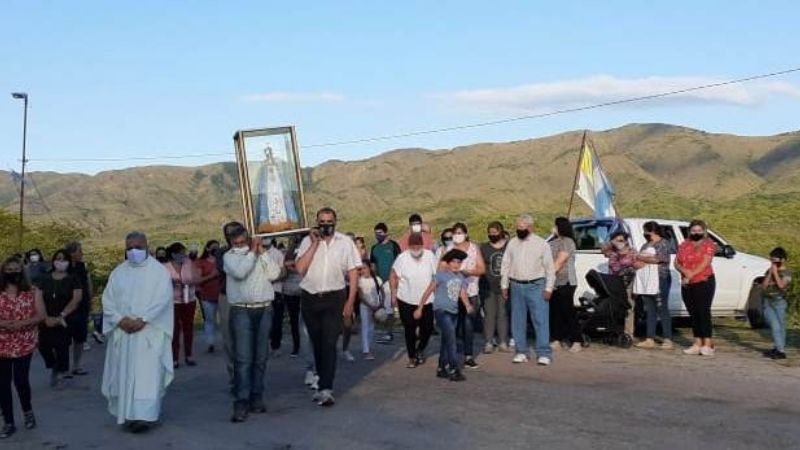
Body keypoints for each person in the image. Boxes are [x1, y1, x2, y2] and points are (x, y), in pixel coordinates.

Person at [101, 231, 173, 433]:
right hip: (124, 333)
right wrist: (120, 320)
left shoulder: (158, 272)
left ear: (147, 247)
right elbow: (108, 300)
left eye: (138, 247)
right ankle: (128, 415)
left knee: (147, 376)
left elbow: (163, 299)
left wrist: (143, 320)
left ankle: (146, 417)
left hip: (149, 333)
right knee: (125, 375)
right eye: (129, 248)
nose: (134, 251)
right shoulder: (118, 273)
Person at [295, 207, 361, 407]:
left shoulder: (345, 243)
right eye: (321, 221)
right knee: (317, 343)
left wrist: (350, 302)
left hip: (334, 297)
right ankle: (321, 378)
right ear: (317, 222)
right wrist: (315, 244)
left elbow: (353, 273)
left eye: (329, 221)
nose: (325, 225)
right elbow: (300, 268)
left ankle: (326, 388)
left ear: (335, 221)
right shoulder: (308, 241)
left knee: (330, 343)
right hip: (310, 297)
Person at [223, 223, 282, 422]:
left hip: (264, 308)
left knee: (260, 358)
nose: (240, 245)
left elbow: (274, 274)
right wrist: (252, 255)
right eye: (236, 242)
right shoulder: (229, 257)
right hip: (242, 310)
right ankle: (241, 401)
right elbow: (241, 273)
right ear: (231, 242)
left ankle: (257, 396)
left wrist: (262, 253)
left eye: (243, 241)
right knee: (243, 359)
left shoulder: (259, 254)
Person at [501, 215, 556, 365]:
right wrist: (504, 285)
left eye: (522, 228)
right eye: (517, 227)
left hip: (536, 285)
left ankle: (544, 352)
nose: (519, 230)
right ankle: (521, 351)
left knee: (540, 319)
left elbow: (549, 268)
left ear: (530, 227)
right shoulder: (512, 243)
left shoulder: (541, 244)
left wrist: (549, 288)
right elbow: (506, 264)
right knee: (517, 320)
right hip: (516, 285)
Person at [0, 257, 45, 439]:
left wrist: (23, 323)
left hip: (24, 343)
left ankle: (28, 411)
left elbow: (41, 315)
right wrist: (5, 324)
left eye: (16, 268)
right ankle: (8, 422)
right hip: (1, 343)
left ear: (22, 271)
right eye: (8, 269)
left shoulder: (33, 292)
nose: (12, 272)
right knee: (2, 384)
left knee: (21, 381)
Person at [418, 249, 471, 382]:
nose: (456, 265)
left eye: (459, 262)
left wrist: (468, 305)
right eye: (453, 262)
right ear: (447, 263)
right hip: (441, 311)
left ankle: (441, 368)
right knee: (452, 338)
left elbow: (462, 293)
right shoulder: (441, 275)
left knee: (446, 340)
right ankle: (453, 369)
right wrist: (420, 308)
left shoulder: (460, 277)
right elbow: (428, 291)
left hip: (454, 312)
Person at [390, 233, 437, 369]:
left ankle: (420, 349)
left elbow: (436, 276)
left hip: (427, 299)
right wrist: (393, 294)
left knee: (427, 328)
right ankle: (412, 357)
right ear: (409, 246)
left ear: (422, 245)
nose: (416, 248)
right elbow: (393, 276)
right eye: (413, 246)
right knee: (409, 329)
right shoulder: (402, 258)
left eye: (418, 245)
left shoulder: (429, 256)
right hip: (406, 299)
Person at [38, 250, 82, 388]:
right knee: (43, 345)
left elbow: (76, 299)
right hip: (46, 316)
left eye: (64, 259)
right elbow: (38, 298)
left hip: (66, 316)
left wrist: (61, 316)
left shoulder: (73, 278)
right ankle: (54, 365)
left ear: (68, 262)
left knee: (62, 346)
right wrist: (45, 317)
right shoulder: (45, 278)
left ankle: (61, 374)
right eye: (58, 259)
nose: (60, 262)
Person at [675, 220, 717, 356]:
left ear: (704, 231)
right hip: (687, 282)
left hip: (703, 281)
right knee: (693, 313)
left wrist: (690, 274)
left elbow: (705, 262)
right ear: (689, 231)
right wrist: (684, 272)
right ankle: (697, 342)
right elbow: (676, 262)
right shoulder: (684, 244)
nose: (696, 233)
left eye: (699, 230)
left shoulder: (709, 244)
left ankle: (708, 343)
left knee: (703, 312)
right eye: (694, 231)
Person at [447, 223, 485, 369]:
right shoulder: (449, 249)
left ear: (466, 233)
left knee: (468, 325)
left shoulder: (474, 248)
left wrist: (469, 272)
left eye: (460, 232)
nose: (458, 235)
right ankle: (455, 353)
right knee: (454, 324)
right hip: (453, 292)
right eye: (455, 232)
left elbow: (482, 269)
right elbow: (442, 268)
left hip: (470, 291)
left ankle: (468, 355)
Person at [634, 222, 673, 349]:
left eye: (646, 231)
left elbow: (659, 259)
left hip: (659, 278)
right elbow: (637, 259)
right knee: (650, 309)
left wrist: (642, 258)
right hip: (646, 279)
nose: (645, 234)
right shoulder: (646, 245)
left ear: (652, 231)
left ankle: (667, 338)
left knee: (662, 308)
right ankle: (649, 338)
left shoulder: (663, 243)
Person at [548, 218, 582, 353]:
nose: (553, 228)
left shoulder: (567, 242)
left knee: (568, 311)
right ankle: (556, 339)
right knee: (555, 312)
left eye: (555, 226)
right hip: (554, 282)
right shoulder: (553, 242)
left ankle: (577, 340)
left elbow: (561, 260)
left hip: (566, 281)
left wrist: (550, 273)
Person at [163, 242, 199, 368]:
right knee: (174, 330)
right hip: (172, 302)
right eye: (180, 253)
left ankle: (189, 355)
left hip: (189, 300)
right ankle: (174, 358)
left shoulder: (189, 264)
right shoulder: (165, 267)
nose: (183, 255)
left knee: (188, 328)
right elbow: (160, 284)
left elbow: (197, 278)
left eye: (184, 253)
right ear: (173, 254)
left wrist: (188, 281)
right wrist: (171, 282)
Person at [480, 222, 510, 354]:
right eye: (490, 233)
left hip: (505, 285)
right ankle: (489, 342)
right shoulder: (484, 247)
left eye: (494, 232)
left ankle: (503, 342)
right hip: (488, 286)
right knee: (489, 314)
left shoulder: (509, 246)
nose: (492, 235)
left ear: (501, 232)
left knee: (502, 313)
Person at [369, 223, 401, 344]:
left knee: (391, 307)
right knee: (387, 309)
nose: (378, 235)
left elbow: (400, 261)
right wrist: (376, 281)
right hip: (381, 282)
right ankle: (389, 333)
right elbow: (373, 265)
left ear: (386, 232)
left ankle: (390, 333)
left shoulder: (393, 245)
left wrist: (396, 278)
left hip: (393, 280)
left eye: (380, 233)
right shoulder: (374, 248)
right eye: (376, 233)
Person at [65, 241, 94, 374]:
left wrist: (90, 300)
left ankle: (77, 365)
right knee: (64, 339)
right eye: (79, 251)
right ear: (71, 253)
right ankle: (63, 366)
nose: (81, 253)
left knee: (80, 338)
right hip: (66, 307)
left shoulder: (83, 267)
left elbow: (88, 284)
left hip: (82, 306)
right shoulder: (64, 268)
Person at [604, 230, 638, 337]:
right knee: (615, 307)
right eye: (617, 240)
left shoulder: (632, 251)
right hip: (614, 282)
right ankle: (616, 331)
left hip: (628, 282)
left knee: (628, 307)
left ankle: (628, 333)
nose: (619, 242)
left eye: (622, 240)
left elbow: (634, 264)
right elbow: (603, 250)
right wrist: (612, 243)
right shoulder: (612, 252)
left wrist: (624, 250)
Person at [761, 247, 792, 360]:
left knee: (779, 326)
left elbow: (781, 285)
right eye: (771, 260)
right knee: (774, 325)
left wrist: (775, 273)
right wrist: (770, 273)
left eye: (775, 260)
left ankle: (780, 350)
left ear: (782, 260)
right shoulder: (769, 271)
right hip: (767, 301)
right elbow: (763, 286)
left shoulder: (787, 273)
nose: (773, 262)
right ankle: (779, 349)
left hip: (779, 301)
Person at [357, 261, 391, 361]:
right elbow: (361, 296)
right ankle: (366, 351)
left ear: (370, 268)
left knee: (371, 328)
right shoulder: (360, 281)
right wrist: (370, 306)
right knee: (365, 327)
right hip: (365, 306)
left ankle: (367, 347)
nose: (363, 271)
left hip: (376, 306)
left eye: (365, 268)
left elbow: (383, 292)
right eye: (361, 269)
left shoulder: (377, 279)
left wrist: (381, 304)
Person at [196, 240, 222, 354]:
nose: (216, 249)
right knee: (210, 320)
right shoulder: (201, 262)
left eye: (217, 247)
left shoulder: (222, 261)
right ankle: (210, 343)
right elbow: (198, 280)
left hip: (222, 295)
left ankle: (228, 342)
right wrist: (211, 276)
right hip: (207, 296)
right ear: (207, 249)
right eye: (213, 247)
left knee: (225, 320)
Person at [282, 235, 305, 358]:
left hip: (304, 288)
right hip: (291, 290)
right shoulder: (288, 252)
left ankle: (304, 345)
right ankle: (296, 345)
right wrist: (296, 266)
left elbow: (302, 266)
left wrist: (294, 266)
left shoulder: (306, 251)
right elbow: (287, 264)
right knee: (294, 320)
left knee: (305, 319)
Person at [266, 238, 287, 357]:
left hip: (276, 291)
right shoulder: (255, 253)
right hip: (261, 292)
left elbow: (284, 273)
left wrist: (272, 280)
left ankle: (276, 345)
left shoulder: (278, 254)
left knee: (277, 321)